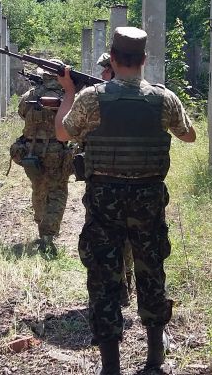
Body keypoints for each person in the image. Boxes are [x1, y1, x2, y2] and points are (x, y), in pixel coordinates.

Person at [55, 27, 196, 374]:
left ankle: (111, 367)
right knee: (151, 270)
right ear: (144, 59)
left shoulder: (91, 98)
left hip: (105, 199)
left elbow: (61, 132)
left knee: (104, 277)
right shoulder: (164, 99)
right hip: (148, 198)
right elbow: (189, 136)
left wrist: (68, 92)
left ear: (113, 59)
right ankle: (154, 359)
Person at [13, 66, 74, 257]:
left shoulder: (29, 95)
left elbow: (22, 113)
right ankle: (49, 234)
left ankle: (42, 224)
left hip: (31, 151)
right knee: (57, 191)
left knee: (38, 188)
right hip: (57, 150)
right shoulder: (67, 96)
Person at [97, 51, 135, 308]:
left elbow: (68, 131)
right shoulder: (147, 97)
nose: (102, 75)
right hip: (137, 181)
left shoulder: (98, 99)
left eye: (105, 70)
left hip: (109, 181)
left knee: (111, 239)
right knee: (127, 239)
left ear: (114, 69)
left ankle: (118, 288)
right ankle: (124, 285)